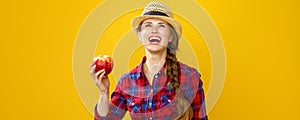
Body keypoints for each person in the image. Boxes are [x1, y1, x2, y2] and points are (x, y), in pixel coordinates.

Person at [90, 1, 208, 120]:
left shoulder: (190, 77)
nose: (154, 30)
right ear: (140, 35)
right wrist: (103, 94)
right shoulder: (126, 81)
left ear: (171, 36)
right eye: (148, 25)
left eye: (161, 25)